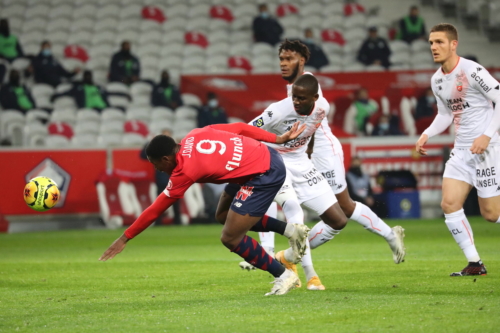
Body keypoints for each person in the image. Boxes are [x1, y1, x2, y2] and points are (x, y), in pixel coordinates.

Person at [100, 121, 311, 296]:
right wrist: (278, 139)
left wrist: (125, 237)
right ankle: (292, 231)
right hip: (262, 157)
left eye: (157, 166)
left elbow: (155, 209)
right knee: (222, 215)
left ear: (166, 158)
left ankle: (284, 276)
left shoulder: (184, 171)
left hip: (264, 173)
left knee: (230, 238)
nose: (160, 171)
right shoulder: (196, 134)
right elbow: (239, 127)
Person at [265, 40, 405, 274]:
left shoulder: (308, 83)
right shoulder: (293, 86)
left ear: (301, 61)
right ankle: (279, 254)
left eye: (289, 59)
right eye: (281, 59)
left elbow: (318, 110)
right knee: (274, 193)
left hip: (323, 152)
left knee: (344, 208)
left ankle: (391, 235)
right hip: (304, 153)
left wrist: (307, 146)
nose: (283, 64)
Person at [235, 74, 349, 291]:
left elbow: (312, 126)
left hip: (302, 163)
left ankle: (286, 257)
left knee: (338, 220)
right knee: (294, 212)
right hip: (276, 162)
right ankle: (311, 275)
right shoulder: (277, 110)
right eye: (294, 97)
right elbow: (246, 130)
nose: (296, 101)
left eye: (301, 98)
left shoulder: (323, 107)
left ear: (315, 97)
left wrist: (310, 149)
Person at [415, 23, 500, 276]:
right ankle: (475, 264)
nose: (434, 47)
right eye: (431, 42)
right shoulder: (437, 79)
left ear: (454, 44)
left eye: (439, 42)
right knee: (449, 203)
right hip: (462, 150)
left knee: (491, 214)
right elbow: (445, 114)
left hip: (486, 149)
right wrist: (426, 133)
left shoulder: (472, 70)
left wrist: (487, 135)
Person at [140, 129, 181, 225]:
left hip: (174, 178)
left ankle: (178, 221)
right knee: (160, 202)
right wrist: (149, 143)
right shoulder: (157, 150)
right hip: (162, 180)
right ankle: (158, 222)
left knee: (175, 202)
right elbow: (142, 155)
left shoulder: (174, 148)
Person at [50, 70, 130, 111]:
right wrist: (55, 95)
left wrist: (124, 94)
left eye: (89, 76)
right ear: (83, 77)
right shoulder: (79, 88)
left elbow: (110, 93)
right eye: (86, 76)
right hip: (90, 109)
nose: (88, 78)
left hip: (104, 108)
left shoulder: (98, 87)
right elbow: (66, 93)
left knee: (122, 109)